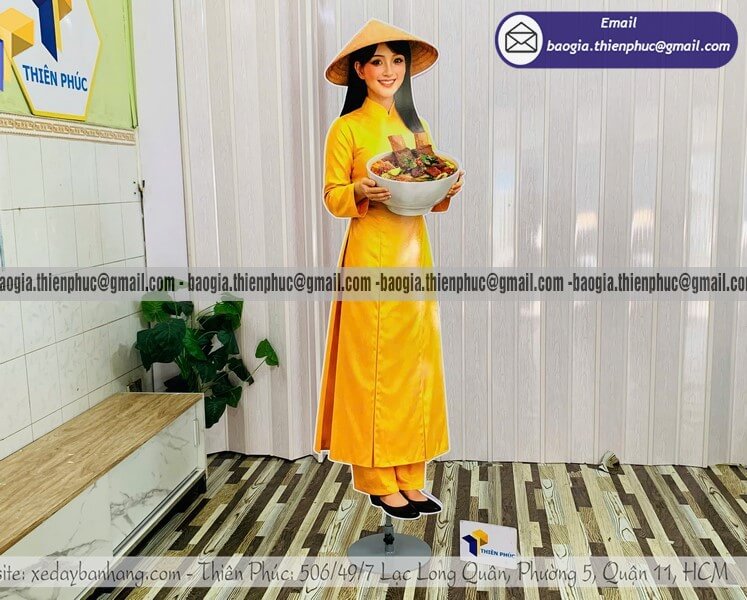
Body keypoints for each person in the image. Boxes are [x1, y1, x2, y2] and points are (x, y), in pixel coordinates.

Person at [313, 19, 464, 520]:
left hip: (414, 255)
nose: (388, 70)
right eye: (377, 61)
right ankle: (379, 480)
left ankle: (412, 477)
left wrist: (445, 189)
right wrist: (359, 190)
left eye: (397, 60)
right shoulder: (346, 129)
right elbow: (332, 196)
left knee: (415, 366)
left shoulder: (417, 130)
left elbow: (426, 190)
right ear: (359, 70)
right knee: (374, 366)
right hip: (370, 254)